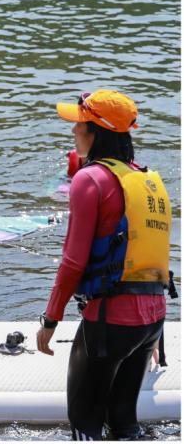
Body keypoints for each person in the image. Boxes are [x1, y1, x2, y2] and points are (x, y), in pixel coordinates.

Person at [36, 89, 172, 441]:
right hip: (153, 319)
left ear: (96, 132)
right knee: (125, 424)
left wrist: (50, 320)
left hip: (110, 320)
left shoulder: (89, 179)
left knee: (85, 427)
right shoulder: (147, 180)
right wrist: (155, 337)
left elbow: (72, 261)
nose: (73, 132)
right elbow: (151, 257)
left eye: (79, 125)